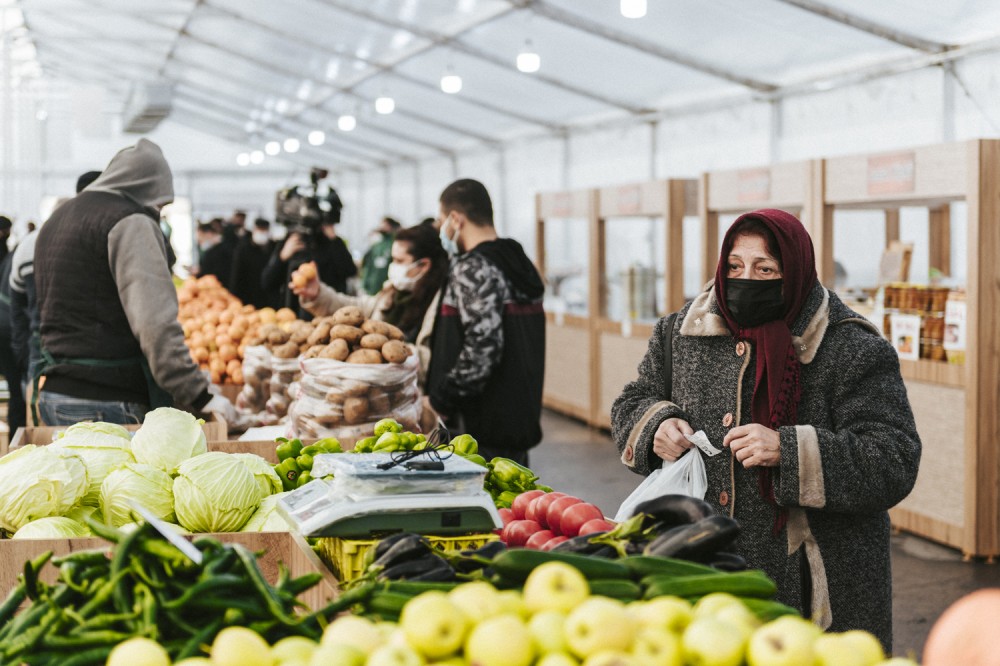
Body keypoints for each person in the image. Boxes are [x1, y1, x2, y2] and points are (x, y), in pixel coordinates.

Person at [611, 209, 921, 651]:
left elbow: (894, 459)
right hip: (704, 570)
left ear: (793, 270)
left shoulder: (850, 346)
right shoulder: (680, 332)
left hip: (815, 590)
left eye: (765, 269)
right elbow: (631, 401)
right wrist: (656, 425)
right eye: (735, 266)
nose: (745, 279)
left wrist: (788, 450)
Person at [32, 138, 240, 428]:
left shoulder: (58, 218)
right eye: (161, 204)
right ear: (145, 190)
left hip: (55, 394)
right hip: (110, 401)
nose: (159, 214)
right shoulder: (129, 221)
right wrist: (199, 394)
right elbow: (155, 325)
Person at [422, 179, 545, 464]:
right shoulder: (518, 263)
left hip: (477, 429)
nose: (442, 229)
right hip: (515, 421)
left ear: (456, 219)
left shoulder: (473, 268)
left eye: (442, 221)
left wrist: (440, 399)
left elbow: (482, 348)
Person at [291, 224, 448, 383]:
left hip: (409, 391)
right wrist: (317, 293)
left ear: (424, 265)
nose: (392, 266)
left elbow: (435, 359)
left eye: (399, 260)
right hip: (374, 384)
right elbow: (355, 310)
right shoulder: (392, 291)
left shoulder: (441, 303)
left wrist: (385, 353)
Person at [262, 216, 357, 318]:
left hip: (329, 314)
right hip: (291, 316)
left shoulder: (330, 243)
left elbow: (350, 270)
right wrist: (282, 257)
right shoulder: (290, 243)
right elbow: (267, 282)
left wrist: (334, 241)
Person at [229, 218, 280, 309]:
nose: (261, 233)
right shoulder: (243, 249)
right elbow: (236, 277)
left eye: (264, 230)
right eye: (259, 229)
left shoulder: (274, 248)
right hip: (249, 297)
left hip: (269, 299)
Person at [360, 216, 400, 295]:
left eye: (385, 224)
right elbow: (368, 265)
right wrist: (364, 283)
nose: (381, 226)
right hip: (372, 287)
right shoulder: (376, 245)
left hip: (387, 288)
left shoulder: (395, 244)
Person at [194, 219, 234, 290]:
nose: (199, 240)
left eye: (201, 235)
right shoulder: (213, 250)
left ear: (208, 234)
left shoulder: (222, 250)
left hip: (220, 289)